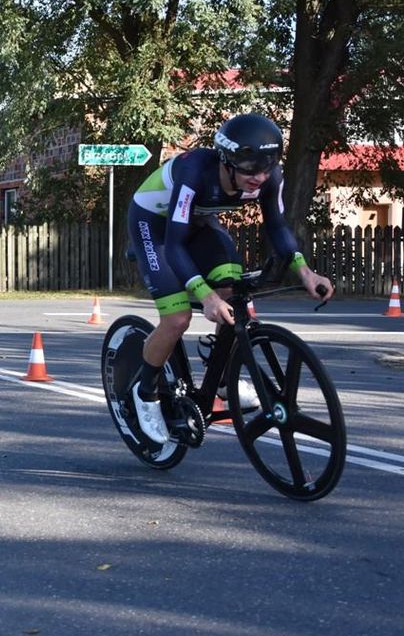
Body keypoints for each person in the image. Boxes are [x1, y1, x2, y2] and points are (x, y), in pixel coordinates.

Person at [126, 113, 334, 444]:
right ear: (226, 160)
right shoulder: (194, 172)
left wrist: (305, 271)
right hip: (156, 227)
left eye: (266, 168)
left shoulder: (268, 177)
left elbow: (277, 227)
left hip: (198, 223)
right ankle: (145, 391)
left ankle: (222, 372)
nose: (259, 177)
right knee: (177, 318)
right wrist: (206, 296)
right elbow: (176, 245)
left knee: (234, 288)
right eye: (250, 170)